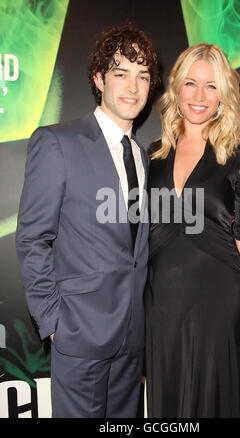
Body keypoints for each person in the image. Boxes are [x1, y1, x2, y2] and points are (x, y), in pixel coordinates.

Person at [15, 23, 160, 418]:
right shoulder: (57, 143)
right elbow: (32, 239)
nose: (133, 87)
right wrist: (53, 321)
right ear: (99, 79)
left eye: (142, 76)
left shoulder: (144, 157)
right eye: (120, 74)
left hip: (132, 338)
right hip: (79, 335)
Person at [144, 43, 240, 418]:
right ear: (176, 88)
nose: (199, 96)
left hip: (217, 298)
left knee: (214, 397)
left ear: (224, 96)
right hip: (160, 301)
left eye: (211, 86)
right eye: (191, 83)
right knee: (167, 400)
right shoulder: (150, 157)